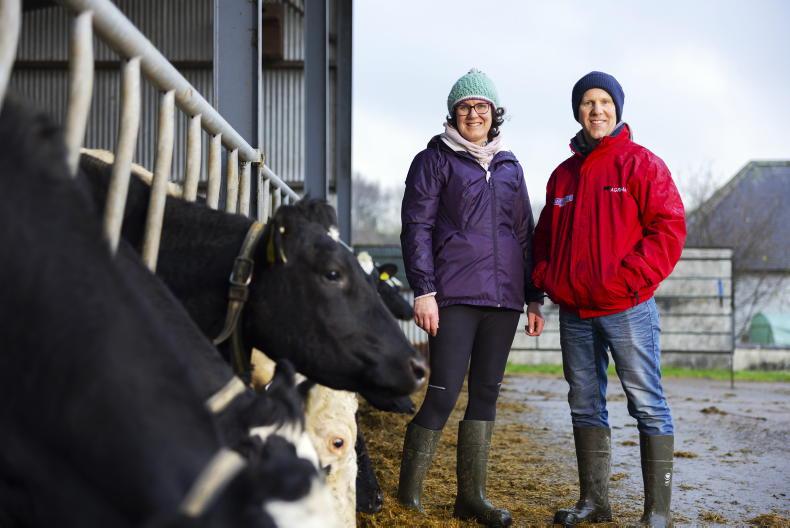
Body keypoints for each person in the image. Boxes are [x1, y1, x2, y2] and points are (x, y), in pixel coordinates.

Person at [532, 71, 686, 528]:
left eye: (604, 102)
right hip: (575, 312)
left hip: (628, 309)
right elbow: (543, 240)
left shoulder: (642, 164)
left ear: (617, 108)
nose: (596, 110)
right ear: (578, 110)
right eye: (587, 103)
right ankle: (595, 502)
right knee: (583, 401)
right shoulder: (563, 176)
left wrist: (627, 282)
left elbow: (669, 229)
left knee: (647, 402)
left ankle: (657, 511)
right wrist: (546, 279)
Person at [398, 68, 545, 528]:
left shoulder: (510, 165)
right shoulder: (434, 160)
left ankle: (471, 497)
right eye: (466, 107)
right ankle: (409, 498)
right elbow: (417, 227)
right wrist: (424, 290)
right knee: (441, 395)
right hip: (454, 295)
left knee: (486, 394)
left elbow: (525, 233)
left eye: (482, 106)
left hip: (503, 301)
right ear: (453, 114)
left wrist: (533, 297)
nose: (474, 113)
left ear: (494, 114)